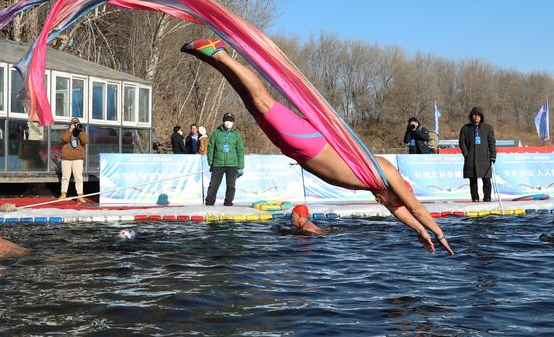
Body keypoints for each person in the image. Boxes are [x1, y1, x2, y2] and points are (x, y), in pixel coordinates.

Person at [181, 38, 454, 255]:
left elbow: (402, 212)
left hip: (298, 151)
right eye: (392, 203)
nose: (384, 205)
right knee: (262, 101)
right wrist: (438, 232)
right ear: (396, 193)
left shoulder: (377, 187)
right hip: (308, 143)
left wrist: (420, 232)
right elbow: (415, 208)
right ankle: (221, 55)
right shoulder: (385, 173)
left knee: (253, 106)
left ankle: (214, 59)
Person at [204, 112, 245, 206]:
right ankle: (209, 203)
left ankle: (228, 203)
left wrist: (241, 166)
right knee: (213, 185)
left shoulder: (236, 135)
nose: (228, 122)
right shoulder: (216, 133)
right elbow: (210, 148)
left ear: (233, 122)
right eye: (227, 120)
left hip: (232, 164)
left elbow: (240, 150)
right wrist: (211, 162)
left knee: (231, 186)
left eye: (230, 121)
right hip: (218, 163)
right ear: (223, 121)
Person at [459, 106, 496, 202]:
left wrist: (492, 156)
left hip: (485, 157)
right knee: (473, 180)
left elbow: (492, 142)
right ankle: (474, 198)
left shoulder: (487, 128)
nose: (476, 117)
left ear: (481, 117)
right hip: (471, 158)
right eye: (474, 115)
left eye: (478, 115)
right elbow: (461, 142)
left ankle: (487, 197)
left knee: (486, 180)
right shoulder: (465, 128)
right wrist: (466, 154)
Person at [59, 117, 89, 204]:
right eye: (73, 124)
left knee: (78, 177)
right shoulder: (67, 131)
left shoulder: (80, 132)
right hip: (66, 157)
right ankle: (63, 193)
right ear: (70, 124)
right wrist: (70, 130)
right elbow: (64, 139)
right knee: (65, 177)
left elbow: (85, 141)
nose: (75, 125)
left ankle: (80, 196)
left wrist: (80, 131)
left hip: (78, 157)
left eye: (76, 124)